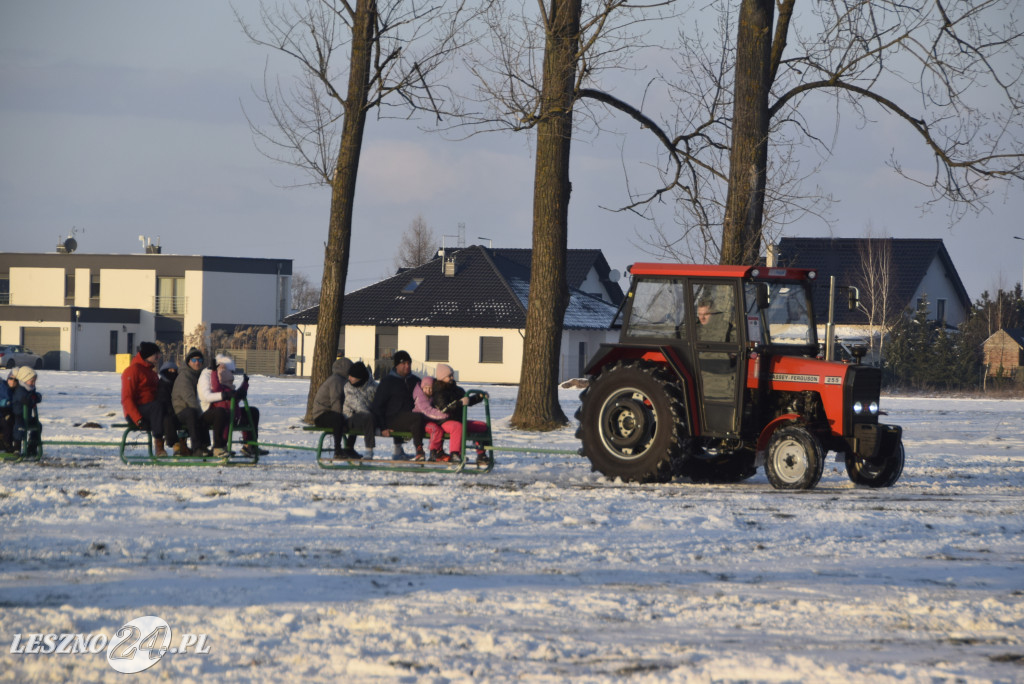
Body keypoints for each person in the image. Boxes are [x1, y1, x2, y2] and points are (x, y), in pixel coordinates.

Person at [370, 350, 426, 460]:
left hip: (409, 416)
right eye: (404, 363)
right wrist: (383, 427)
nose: (407, 366)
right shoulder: (387, 381)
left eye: (409, 363)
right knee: (417, 418)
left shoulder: (415, 380)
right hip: (392, 418)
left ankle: (399, 451)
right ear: (396, 365)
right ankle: (419, 450)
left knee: (421, 418)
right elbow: (378, 405)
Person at [430, 363, 490, 465]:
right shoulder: (439, 392)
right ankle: (455, 454)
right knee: (457, 427)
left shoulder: (457, 390)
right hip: (445, 421)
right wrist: (460, 403)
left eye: (452, 375)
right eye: (449, 376)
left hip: (459, 419)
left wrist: (479, 397)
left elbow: (467, 401)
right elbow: (444, 408)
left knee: (482, 426)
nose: (452, 378)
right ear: (442, 377)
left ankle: (481, 454)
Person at [121, 341, 168, 457]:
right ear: (148, 355)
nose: (159, 357)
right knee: (157, 407)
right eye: (156, 354)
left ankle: (180, 444)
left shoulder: (151, 373)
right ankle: (159, 446)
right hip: (136, 413)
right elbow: (127, 399)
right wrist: (138, 419)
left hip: (152, 410)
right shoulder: (133, 371)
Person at [310, 357, 353, 459]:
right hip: (321, 415)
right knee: (337, 420)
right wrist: (341, 417)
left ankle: (349, 449)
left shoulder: (343, 380)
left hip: (331, 413)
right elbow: (336, 401)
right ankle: (337, 450)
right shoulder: (336, 380)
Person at [171, 348, 211, 456]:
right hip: (181, 410)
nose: (197, 363)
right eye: (194, 360)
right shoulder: (185, 376)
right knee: (193, 413)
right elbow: (189, 398)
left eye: (199, 360)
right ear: (188, 362)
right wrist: (201, 413)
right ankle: (197, 447)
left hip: (192, 408)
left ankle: (205, 446)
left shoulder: (200, 375)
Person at [411, 375, 453, 461]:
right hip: (421, 422)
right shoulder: (420, 397)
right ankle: (433, 451)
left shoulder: (432, 397)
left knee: (440, 429)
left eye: (431, 388)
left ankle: (439, 452)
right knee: (435, 429)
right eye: (426, 388)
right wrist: (443, 415)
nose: (428, 390)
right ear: (422, 388)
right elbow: (427, 410)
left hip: (429, 419)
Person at [342, 361, 377, 459]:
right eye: (349, 375)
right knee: (367, 416)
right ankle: (369, 451)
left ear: (360, 378)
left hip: (368, 419)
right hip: (350, 418)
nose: (349, 378)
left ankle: (398, 450)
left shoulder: (374, 387)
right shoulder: (348, 387)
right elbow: (359, 407)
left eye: (352, 376)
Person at [157, 359, 188, 456]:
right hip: (166, 412)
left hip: (179, 410)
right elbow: (163, 400)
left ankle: (182, 445)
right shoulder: (161, 384)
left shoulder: (179, 383)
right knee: (168, 420)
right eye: (169, 370)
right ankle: (175, 444)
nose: (171, 373)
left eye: (173, 371)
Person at [10, 366, 43, 456]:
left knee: (38, 426)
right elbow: (27, 401)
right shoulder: (20, 390)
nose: (33, 383)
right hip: (18, 416)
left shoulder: (30, 390)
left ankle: (32, 446)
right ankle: (16, 448)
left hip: (27, 416)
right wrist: (33, 399)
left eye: (34, 381)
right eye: (31, 381)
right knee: (19, 428)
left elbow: (37, 397)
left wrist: (36, 397)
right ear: (24, 379)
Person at [0, 371, 17, 452]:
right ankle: (5, 445)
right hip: (4, 412)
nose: (12, 381)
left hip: (7, 413)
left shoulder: (7, 388)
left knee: (7, 423)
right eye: (10, 378)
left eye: (15, 380)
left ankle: (6, 445)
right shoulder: (3, 387)